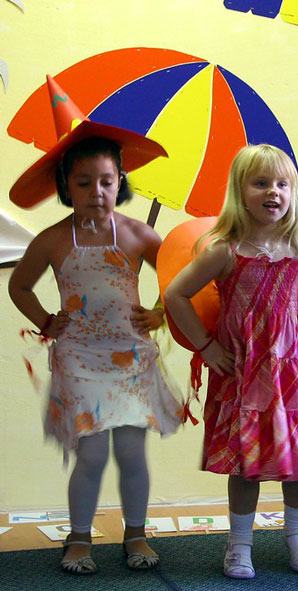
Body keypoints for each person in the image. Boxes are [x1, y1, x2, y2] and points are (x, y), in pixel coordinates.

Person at [8, 76, 182, 575]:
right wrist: (45, 320)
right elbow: (19, 286)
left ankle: (136, 535)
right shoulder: (52, 240)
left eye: (106, 181)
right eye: (83, 183)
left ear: (120, 179)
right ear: (66, 186)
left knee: (130, 451)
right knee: (90, 455)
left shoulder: (134, 234)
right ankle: (79, 538)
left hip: (130, 359)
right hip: (80, 358)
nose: (96, 192)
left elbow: (182, 273)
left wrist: (162, 312)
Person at [164, 144, 298, 579]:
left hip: (292, 370)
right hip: (243, 370)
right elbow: (175, 295)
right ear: (240, 192)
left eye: (283, 184)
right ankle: (239, 544)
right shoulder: (224, 250)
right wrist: (206, 347)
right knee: (246, 461)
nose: (273, 192)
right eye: (261, 183)